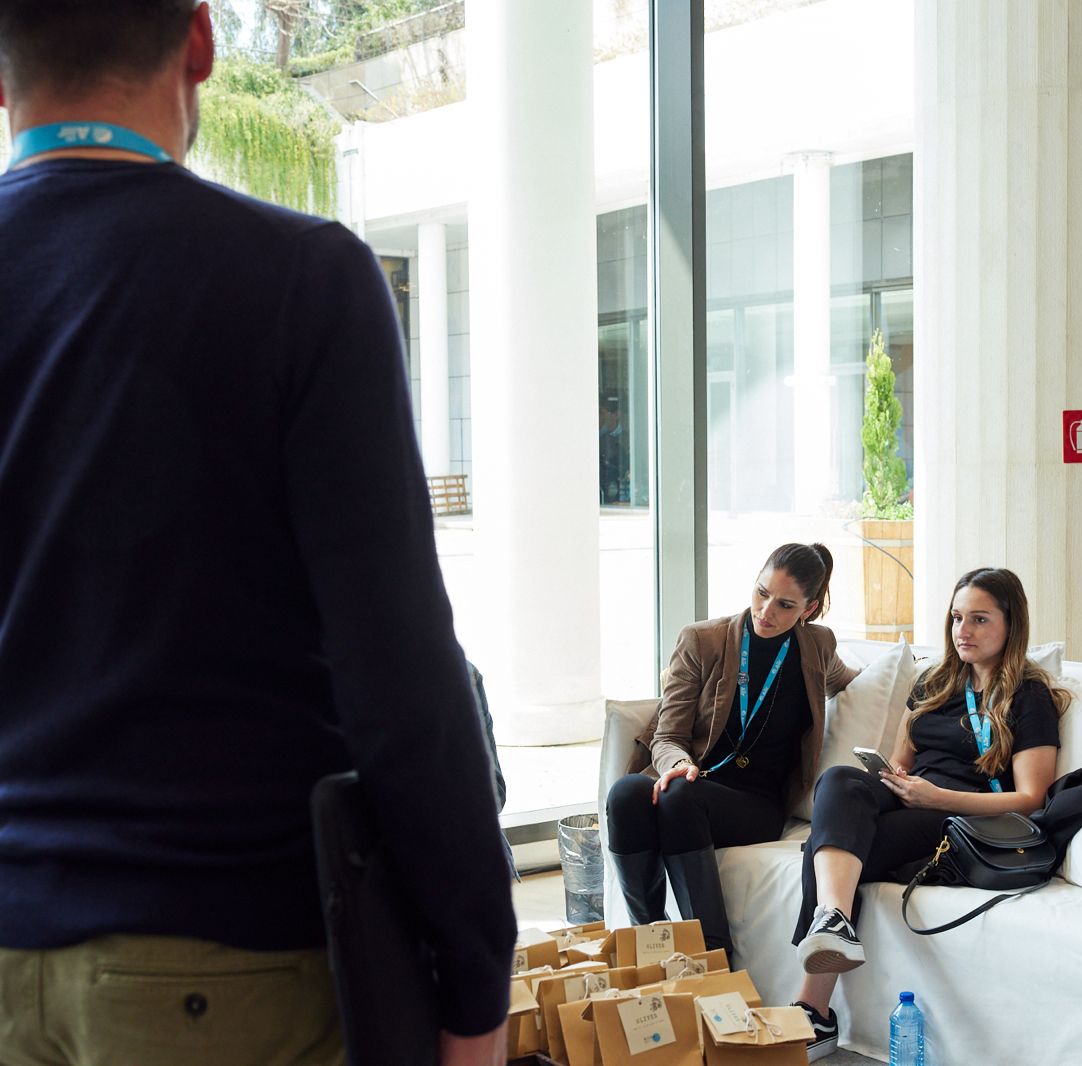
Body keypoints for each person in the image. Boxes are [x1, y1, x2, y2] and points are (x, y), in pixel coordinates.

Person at [0, 4, 514, 1064]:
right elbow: (399, 671)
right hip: (217, 967)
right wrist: (475, 984)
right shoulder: (299, 277)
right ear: (199, 43)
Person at [787, 567, 1069, 1060]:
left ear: (1011, 624)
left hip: (963, 819)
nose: (963, 631)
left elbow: (1031, 798)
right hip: (913, 799)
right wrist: (894, 778)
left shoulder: (1028, 696)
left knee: (824, 847)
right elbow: (902, 761)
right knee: (839, 780)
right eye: (957, 618)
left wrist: (937, 797)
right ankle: (832, 921)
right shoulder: (933, 683)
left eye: (979, 619)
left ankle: (815, 1009)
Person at [607, 543, 860, 957]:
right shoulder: (703, 640)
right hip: (695, 779)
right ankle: (650, 942)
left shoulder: (817, 645)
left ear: (809, 608)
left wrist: (922, 684)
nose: (765, 611)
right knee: (626, 794)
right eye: (761, 593)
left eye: (784, 605)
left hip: (757, 804)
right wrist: (680, 763)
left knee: (679, 797)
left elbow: (851, 681)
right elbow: (667, 736)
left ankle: (711, 952)